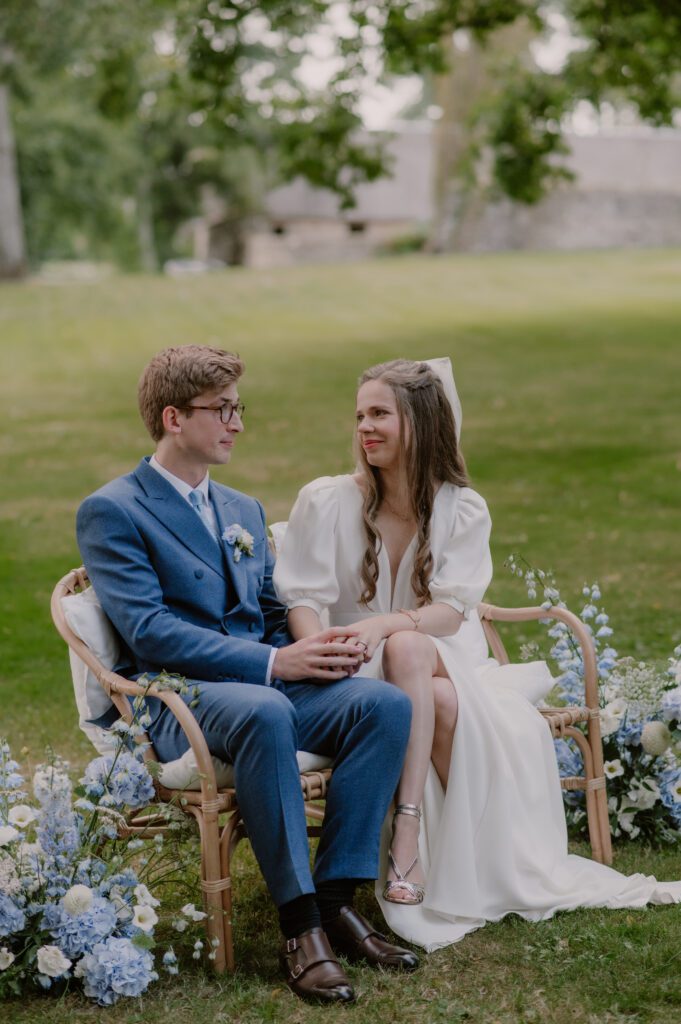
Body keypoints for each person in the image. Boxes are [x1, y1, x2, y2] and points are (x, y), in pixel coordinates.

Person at [273, 357, 681, 952]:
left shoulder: (461, 508)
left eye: (380, 414)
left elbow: (450, 612)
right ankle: (447, 856)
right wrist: (318, 648)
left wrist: (385, 625)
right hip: (353, 664)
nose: (364, 427)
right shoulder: (326, 499)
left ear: (419, 422)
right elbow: (304, 596)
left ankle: (407, 832)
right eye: (359, 415)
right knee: (435, 699)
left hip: (441, 651)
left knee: (410, 647)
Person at [76, 345, 419, 1003]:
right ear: (174, 418)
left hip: (269, 686)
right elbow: (149, 631)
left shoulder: (242, 509)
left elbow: (268, 608)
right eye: (222, 410)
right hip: (180, 699)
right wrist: (273, 662)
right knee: (266, 710)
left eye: (239, 408)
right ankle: (300, 928)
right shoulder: (113, 509)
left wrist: (317, 650)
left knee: (383, 705)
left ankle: (336, 903)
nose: (237, 423)